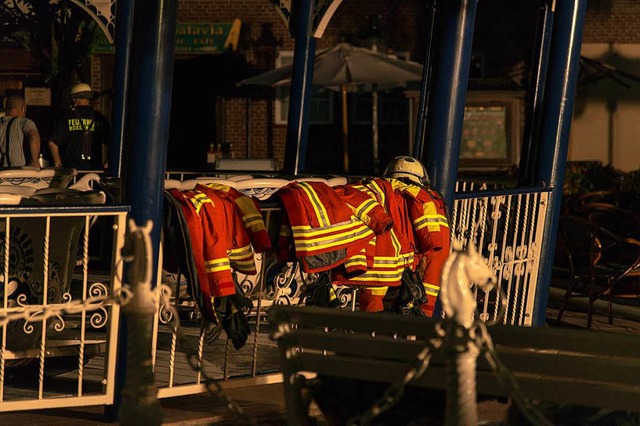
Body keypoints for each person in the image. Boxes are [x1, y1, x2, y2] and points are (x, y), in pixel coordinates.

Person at [48, 83, 110, 170]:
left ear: (75, 99)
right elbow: (113, 144)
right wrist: (107, 164)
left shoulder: (66, 117)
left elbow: (52, 143)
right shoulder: (100, 118)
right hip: (94, 172)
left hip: (71, 172)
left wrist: (57, 163)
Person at [0, 95, 41, 168]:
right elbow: (34, 136)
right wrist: (35, 161)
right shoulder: (24, 122)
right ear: (23, 109)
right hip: (17, 172)